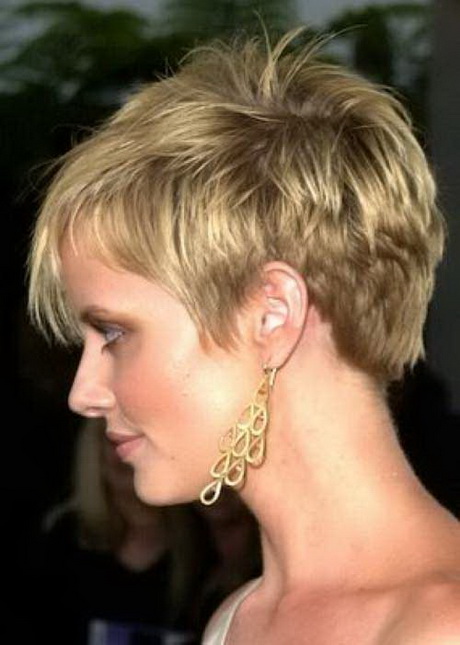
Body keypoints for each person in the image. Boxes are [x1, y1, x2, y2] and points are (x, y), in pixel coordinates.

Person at [27, 27, 460, 644]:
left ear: (272, 314)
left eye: (115, 333)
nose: (84, 393)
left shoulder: (442, 625)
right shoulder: (237, 619)